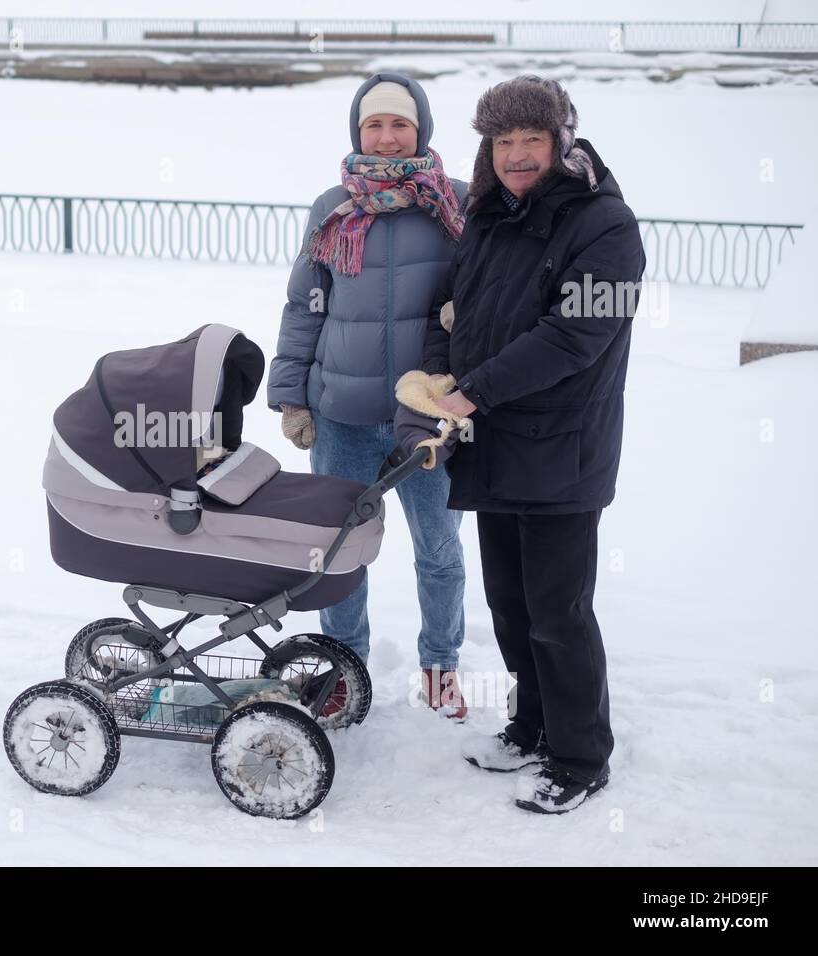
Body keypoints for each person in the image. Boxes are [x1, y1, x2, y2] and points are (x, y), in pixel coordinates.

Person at [417, 75, 646, 813]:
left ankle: (581, 756)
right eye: (503, 142)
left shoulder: (607, 225)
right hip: (493, 441)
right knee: (511, 606)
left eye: (531, 140)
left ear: (561, 141)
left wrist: (473, 388)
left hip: (562, 451)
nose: (517, 155)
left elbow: (577, 334)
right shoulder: (487, 215)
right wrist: (433, 371)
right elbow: (447, 306)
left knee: (559, 613)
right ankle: (532, 723)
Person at [268, 72, 469, 718]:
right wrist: (292, 397)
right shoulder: (332, 206)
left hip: (428, 424)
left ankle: (440, 666)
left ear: (422, 130)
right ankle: (343, 667)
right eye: (374, 125)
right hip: (343, 419)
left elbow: (488, 299)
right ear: (358, 132)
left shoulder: (456, 205)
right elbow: (304, 307)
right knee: (336, 555)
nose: (386, 138)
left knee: (439, 550)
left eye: (399, 125)